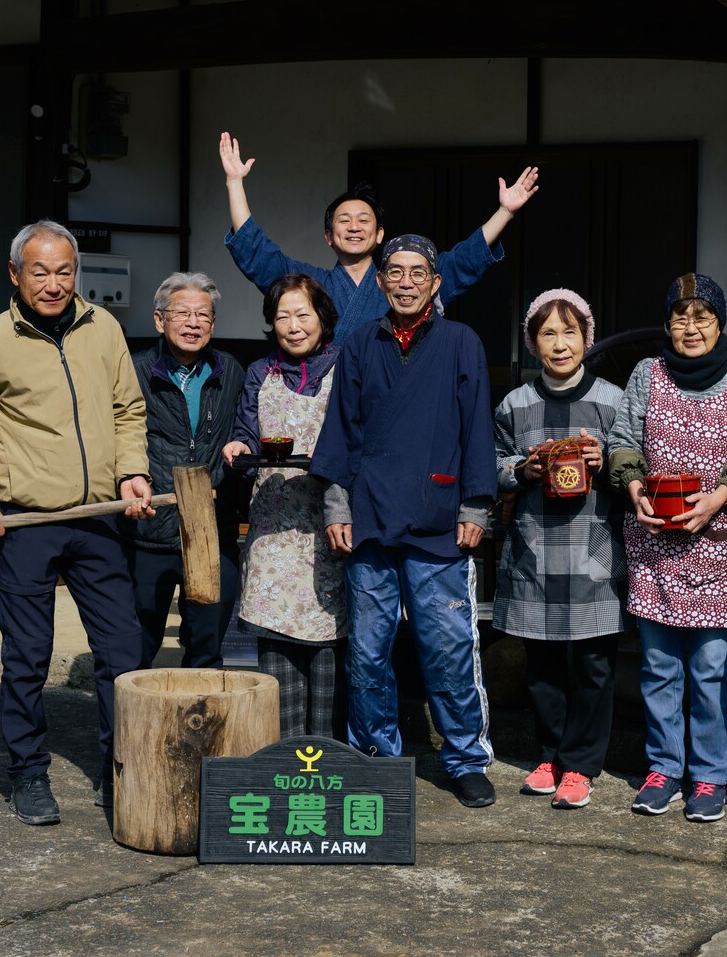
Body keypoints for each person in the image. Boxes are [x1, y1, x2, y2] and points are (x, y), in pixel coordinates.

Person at [0, 220, 152, 826]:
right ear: (15, 273)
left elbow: (127, 407)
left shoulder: (102, 329)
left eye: (64, 271)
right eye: (40, 271)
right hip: (25, 523)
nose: (53, 284)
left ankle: (120, 768)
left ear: (78, 273)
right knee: (27, 656)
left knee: (124, 652)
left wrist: (131, 471)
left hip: (99, 516)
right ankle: (27, 772)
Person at [310, 233, 498, 807]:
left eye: (419, 272)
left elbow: (476, 429)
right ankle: (375, 758)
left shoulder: (462, 342)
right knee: (368, 649)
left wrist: (475, 506)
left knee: (446, 647)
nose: (407, 281)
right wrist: (337, 504)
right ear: (382, 280)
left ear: (435, 283)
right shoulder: (361, 342)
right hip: (370, 516)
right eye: (396, 271)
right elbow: (342, 427)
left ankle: (465, 756)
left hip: (438, 516)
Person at [608, 274, 727, 823]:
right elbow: (622, 442)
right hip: (654, 542)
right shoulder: (647, 375)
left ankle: (710, 775)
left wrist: (717, 499)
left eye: (702, 317)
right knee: (657, 664)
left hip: (719, 545)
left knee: (712, 667)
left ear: (720, 325)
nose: (690, 328)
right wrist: (634, 491)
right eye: (679, 317)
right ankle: (663, 768)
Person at [493, 289, 627, 810]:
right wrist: (519, 470)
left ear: (586, 339)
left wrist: (606, 459)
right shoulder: (515, 404)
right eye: (547, 333)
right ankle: (549, 755)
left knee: (593, 663)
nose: (560, 343)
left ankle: (583, 765)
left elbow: (632, 463)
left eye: (570, 332)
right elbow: (492, 465)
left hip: (595, 545)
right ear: (532, 343)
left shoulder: (613, 400)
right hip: (536, 548)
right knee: (543, 662)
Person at [218, 133, 539, 343]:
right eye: (344, 221)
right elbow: (259, 254)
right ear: (329, 237)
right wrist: (235, 183)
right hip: (326, 407)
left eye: (364, 221)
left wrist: (505, 213)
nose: (354, 227)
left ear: (380, 235)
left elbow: (463, 261)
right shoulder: (311, 284)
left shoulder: (404, 282)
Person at [222, 274, 346, 739]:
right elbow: (248, 432)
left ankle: (326, 762)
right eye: (282, 317)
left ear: (322, 318)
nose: (293, 326)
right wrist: (238, 446)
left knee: (330, 647)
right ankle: (285, 761)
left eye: (303, 314)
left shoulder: (346, 366)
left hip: (330, 527)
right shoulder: (260, 373)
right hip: (273, 527)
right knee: (276, 650)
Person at [125, 272, 245, 669]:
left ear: (213, 324)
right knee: (136, 646)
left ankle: (198, 726)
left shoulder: (230, 371)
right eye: (182, 313)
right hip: (149, 531)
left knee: (207, 648)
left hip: (211, 531)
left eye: (203, 315)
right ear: (160, 320)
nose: (193, 323)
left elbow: (247, 428)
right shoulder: (134, 371)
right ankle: (130, 729)